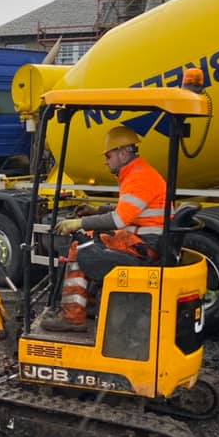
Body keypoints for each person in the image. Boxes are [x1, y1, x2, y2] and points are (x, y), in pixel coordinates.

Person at [41, 124, 167, 332]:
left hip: (144, 245)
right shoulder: (138, 172)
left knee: (80, 247)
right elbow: (129, 209)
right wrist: (96, 210)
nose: (106, 161)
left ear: (124, 152)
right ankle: (86, 303)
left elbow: (118, 220)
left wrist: (78, 223)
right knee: (90, 236)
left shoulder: (138, 178)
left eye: (108, 155)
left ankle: (73, 316)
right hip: (142, 239)